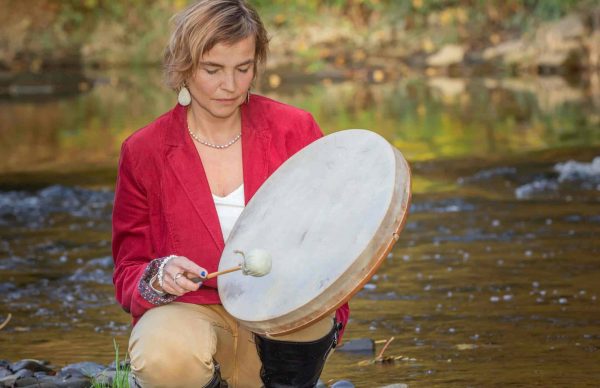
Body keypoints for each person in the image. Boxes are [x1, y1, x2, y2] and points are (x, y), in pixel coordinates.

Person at [111, 1, 350, 387]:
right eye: (213, 69)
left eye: (244, 68)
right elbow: (128, 271)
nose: (231, 85)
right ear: (183, 66)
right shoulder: (144, 151)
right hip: (191, 316)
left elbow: (336, 242)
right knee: (163, 353)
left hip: (281, 325)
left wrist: (327, 308)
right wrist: (159, 276)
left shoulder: (295, 130)